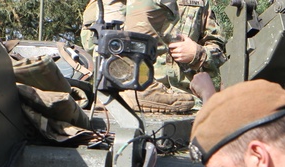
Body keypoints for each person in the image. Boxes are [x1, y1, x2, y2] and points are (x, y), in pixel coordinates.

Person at [81, 0, 226, 113]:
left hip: (187, 104)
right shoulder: (111, 3)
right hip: (128, 100)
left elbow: (220, 53)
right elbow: (92, 43)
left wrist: (197, 53)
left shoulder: (200, 3)